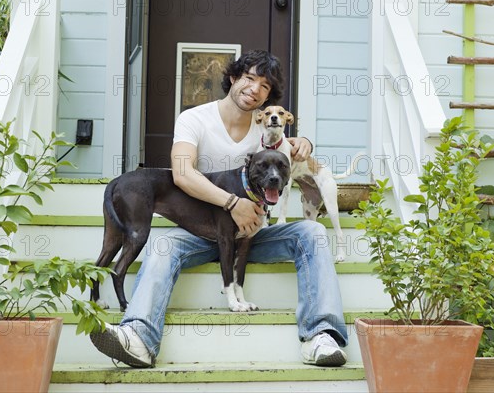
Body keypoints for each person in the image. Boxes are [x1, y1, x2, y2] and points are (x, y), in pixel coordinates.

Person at [90, 50, 348, 368]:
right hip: (200, 234)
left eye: (264, 86)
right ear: (233, 78)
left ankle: (322, 335)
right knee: (162, 245)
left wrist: (303, 141)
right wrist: (232, 203)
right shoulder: (194, 120)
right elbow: (182, 173)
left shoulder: (267, 130)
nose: (255, 88)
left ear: (269, 97)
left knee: (313, 232)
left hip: (253, 235)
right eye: (249, 78)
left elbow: (293, 153)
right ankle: (139, 337)